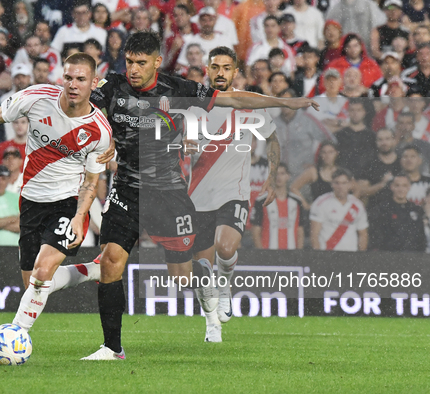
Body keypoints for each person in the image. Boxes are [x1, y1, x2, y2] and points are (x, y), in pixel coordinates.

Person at [82, 31, 317, 360]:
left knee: (183, 276)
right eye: (129, 62)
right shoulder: (113, 87)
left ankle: (212, 294)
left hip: (169, 193)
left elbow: (235, 101)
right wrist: (103, 137)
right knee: (111, 261)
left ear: (157, 62)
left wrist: (286, 101)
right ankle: (112, 347)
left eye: (140, 63)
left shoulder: (179, 90)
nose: (133, 69)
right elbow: (86, 113)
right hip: (129, 190)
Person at [0, 53, 112, 337]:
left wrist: (80, 216)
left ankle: (15, 335)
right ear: (60, 78)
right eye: (68, 78)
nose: (73, 85)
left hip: (66, 203)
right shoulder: (37, 97)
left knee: (43, 273)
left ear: (93, 83)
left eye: (80, 79)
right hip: (30, 201)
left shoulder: (100, 131)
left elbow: (92, 181)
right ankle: (91, 271)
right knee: (35, 285)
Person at [187, 46, 279, 341]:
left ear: (235, 72)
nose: (221, 73)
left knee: (225, 248)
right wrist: (183, 147)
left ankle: (225, 284)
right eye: (215, 67)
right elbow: (180, 144)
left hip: (233, 193)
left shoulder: (248, 104)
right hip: (198, 195)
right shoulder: (193, 107)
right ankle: (211, 323)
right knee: (202, 269)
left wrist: (272, 178)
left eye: (227, 68)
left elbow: (273, 140)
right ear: (208, 70)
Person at [273, 89, 333, 178]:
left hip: (302, 176)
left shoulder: (308, 119)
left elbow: (329, 140)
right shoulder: (273, 123)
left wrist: (318, 164)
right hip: (280, 177)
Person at [310, 168, 368, 252]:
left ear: (350, 184)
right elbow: (314, 234)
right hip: (328, 256)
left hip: (351, 257)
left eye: (344, 183)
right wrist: (319, 257)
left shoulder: (358, 205)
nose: (340, 187)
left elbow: (363, 234)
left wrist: (360, 257)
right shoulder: (321, 203)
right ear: (331, 184)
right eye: (337, 183)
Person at [251, 163, 306, 250]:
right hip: (268, 252)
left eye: (282, 173)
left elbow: (300, 230)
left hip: (291, 252)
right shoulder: (261, 201)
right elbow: (256, 231)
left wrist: (298, 253)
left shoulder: (297, 201)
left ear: (288, 176)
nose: (278, 177)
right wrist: (261, 254)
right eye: (275, 174)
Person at [368, 173, 426, 252]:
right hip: (388, 256)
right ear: (392, 187)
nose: (401, 189)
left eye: (404, 185)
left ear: (409, 187)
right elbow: (376, 236)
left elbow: (421, 237)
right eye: (397, 185)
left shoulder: (416, 210)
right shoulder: (382, 209)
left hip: (412, 257)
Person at [357, 128, 402, 206]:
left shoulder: (402, 162)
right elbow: (362, 192)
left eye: (387, 139)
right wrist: (382, 184)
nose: (384, 143)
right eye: (380, 140)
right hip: (376, 209)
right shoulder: (369, 163)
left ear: (394, 141)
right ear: (376, 142)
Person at [334, 99, 376, 178]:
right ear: (348, 112)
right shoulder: (340, 135)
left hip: (366, 178)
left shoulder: (372, 136)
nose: (355, 113)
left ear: (364, 112)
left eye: (359, 110)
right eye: (352, 110)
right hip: (344, 178)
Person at [290, 141, 339, 208]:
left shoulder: (341, 172)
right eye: (324, 152)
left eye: (330, 152)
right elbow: (293, 187)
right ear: (320, 154)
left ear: (336, 153)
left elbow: (356, 188)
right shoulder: (313, 172)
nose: (327, 156)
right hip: (319, 212)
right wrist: (305, 205)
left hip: (338, 212)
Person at [0, 64, 33, 140]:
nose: (21, 80)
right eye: (17, 77)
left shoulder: (36, 98)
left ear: (29, 78)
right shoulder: (4, 100)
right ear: (13, 80)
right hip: (10, 141)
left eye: (23, 77)